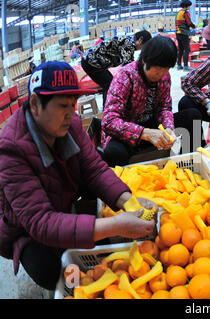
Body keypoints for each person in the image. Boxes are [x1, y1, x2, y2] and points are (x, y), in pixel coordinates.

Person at [0, 61, 156, 291]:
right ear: (35, 104)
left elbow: (95, 169)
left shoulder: (70, 124)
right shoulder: (10, 149)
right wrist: (113, 225)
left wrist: (127, 201)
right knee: (51, 272)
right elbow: (40, 221)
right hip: (26, 229)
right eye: (63, 105)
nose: (71, 114)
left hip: (63, 200)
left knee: (100, 253)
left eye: (73, 104)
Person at [102, 36, 202, 166]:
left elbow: (164, 107)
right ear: (145, 60)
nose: (162, 74)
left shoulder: (165, 76)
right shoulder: (125, 76)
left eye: (166, 69)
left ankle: (190, 165)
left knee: (193, 116)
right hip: (129, 131)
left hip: (153, 125)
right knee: (113, 152)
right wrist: (145, 133)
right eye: (158, 69)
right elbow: (108, 121)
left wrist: (168, 128)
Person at [81, 30, 152, 107]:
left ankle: (109, 109)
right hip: (91, 62)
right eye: (144, 46)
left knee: (110, 84)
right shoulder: (129, 44)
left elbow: (131, 65)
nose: (141, 49)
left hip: (94, 62)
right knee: (109, 85)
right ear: (140, 39)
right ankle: (108, 111)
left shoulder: (129, 41)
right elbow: (128, 67)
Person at [176, 0, 196, 71]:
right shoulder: (185, 13)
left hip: (178, 33)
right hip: (184, 33)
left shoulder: (179, 12)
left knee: (181, 49)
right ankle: (185, 66)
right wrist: (194, 26)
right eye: (189, 6)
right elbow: (189, 23)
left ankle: (179, 65)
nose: (190, 7)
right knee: (187, 49)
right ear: (186, 6)